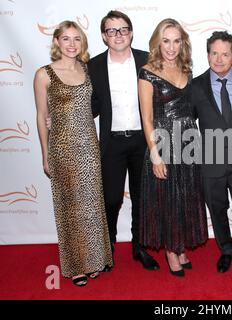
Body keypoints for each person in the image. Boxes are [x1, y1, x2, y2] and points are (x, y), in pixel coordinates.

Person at [34, 20, 113, 287]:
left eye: (77, 39)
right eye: (66, 39)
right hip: (62, 148)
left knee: (91, 205)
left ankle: (94, 260)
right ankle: (76, 265)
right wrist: (45, 154)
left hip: (90, 145)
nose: (71, 44)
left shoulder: (88, 70)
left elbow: (97, 105)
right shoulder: (44, 74)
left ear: (83, 43)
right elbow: (41, 116)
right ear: (56, 41)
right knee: (69, 206)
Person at [88, 10, 159, 270]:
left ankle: (139, 248)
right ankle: (108, 249)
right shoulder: (93, 65)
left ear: (131, 32)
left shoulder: (147, 60)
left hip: (143, 141)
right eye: (111, 30)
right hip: (112, 143)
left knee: (143, 199)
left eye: (123, 29)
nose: (118, 35)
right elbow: (91, 105)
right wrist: (60, 115)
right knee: (111, 199)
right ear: (104, 36)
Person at [138, 18, 208, 277]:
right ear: (158, 42)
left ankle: (179, 246)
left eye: (176, 41)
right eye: (165, 40)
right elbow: (146, 117)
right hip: (163, 143)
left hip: (189, 141)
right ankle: (170, 250)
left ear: (183, 43)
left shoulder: (186, 68)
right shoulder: (147, 72)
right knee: (167, 199)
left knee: (185, 196)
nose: (171, 47)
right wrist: (155, 156)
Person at [191, 31, 232, 279]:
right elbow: (186, 123)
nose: (219, 59)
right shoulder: (196, 86)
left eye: (225, 54)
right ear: (208, 55)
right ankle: (226, 249)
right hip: (211, 161)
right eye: (214, 53)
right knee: (217, 209)